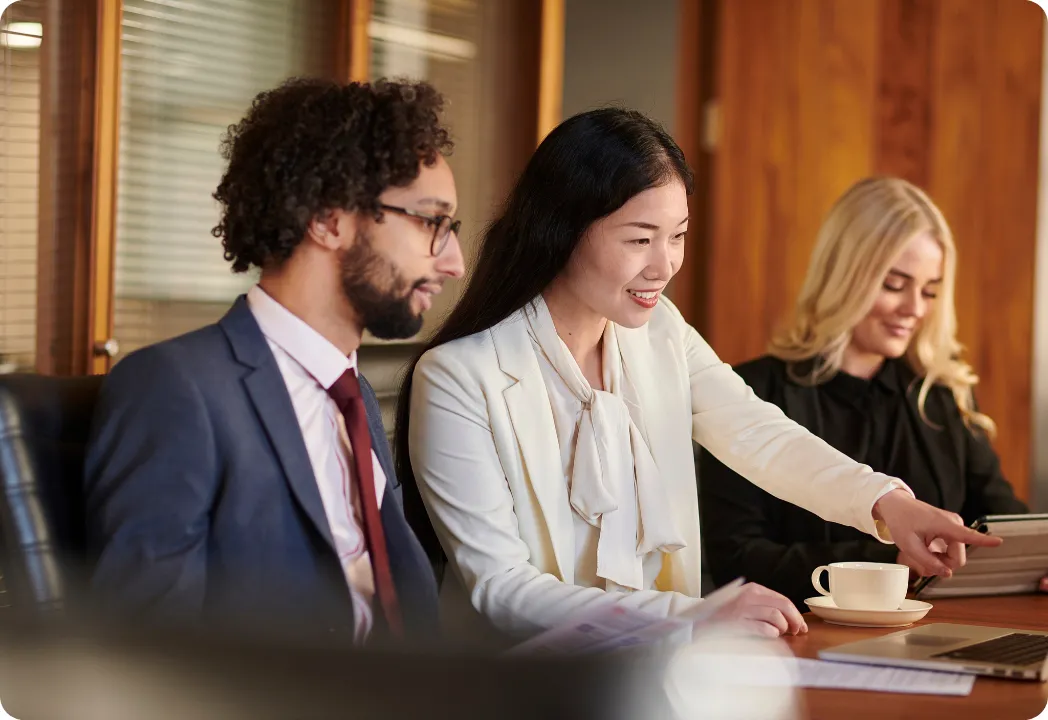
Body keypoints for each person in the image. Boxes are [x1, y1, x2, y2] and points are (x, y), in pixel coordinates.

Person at [394, 109, 999, 641]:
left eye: (678, 236)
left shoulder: (661, 334)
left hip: (659, 677)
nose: (665, 265)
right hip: (521, 690)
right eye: (640, 239)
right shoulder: (458, 377)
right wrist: (689, 618)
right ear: (562, 230)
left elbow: (759, 434)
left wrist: (888, 503)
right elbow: (499, 590)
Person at [84, 77, 466, 644]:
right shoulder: (176, 389)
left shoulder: (352, 392)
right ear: (328, 219)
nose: (455, 262)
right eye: (431, 223)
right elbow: (149, 659)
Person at [699, 176, 1047, 607]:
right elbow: (737, 558)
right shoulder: (748, 395)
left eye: (930, 291)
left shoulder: (943, 395)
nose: (915, 309)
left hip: (936, 638)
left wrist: (1037, 556)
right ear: (844, 276)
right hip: (797, 642)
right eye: (894, 285)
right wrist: (891, 558)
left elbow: (999, 519)